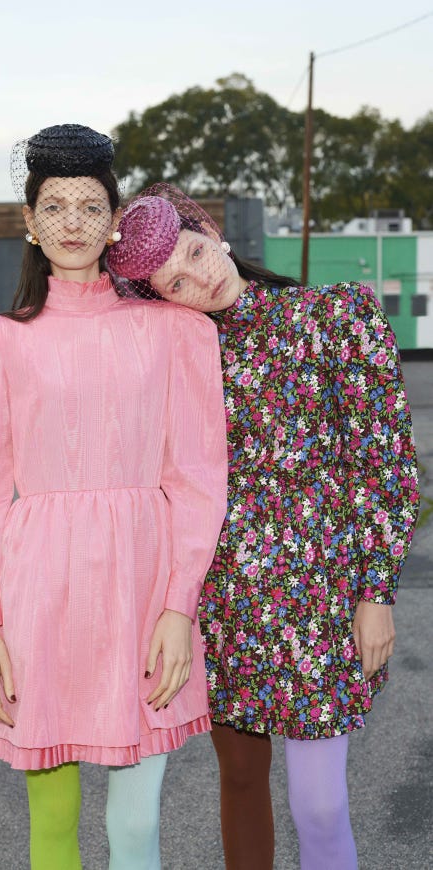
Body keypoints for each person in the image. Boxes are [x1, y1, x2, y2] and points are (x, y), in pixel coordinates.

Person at [107, 185, 420, 870]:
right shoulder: (181, 360)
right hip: (225, 605)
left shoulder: (336, 316)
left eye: (195, 252)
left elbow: (386, 465)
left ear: (212, 232)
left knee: (321, 803)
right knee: (241, 781)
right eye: (177, 283)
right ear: (163, 301)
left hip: (325, 601)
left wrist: (376, 592)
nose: (201, 277)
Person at [0, 131, 228, 870]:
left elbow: (198, 480)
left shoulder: (177, 334)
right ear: (30, 221)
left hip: (144, 596)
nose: (72, 222)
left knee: (134, 829)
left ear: (114, 222)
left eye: (91, 206)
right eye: (54, 206)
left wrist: (178, 607)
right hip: (36, 598)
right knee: (53, 825)